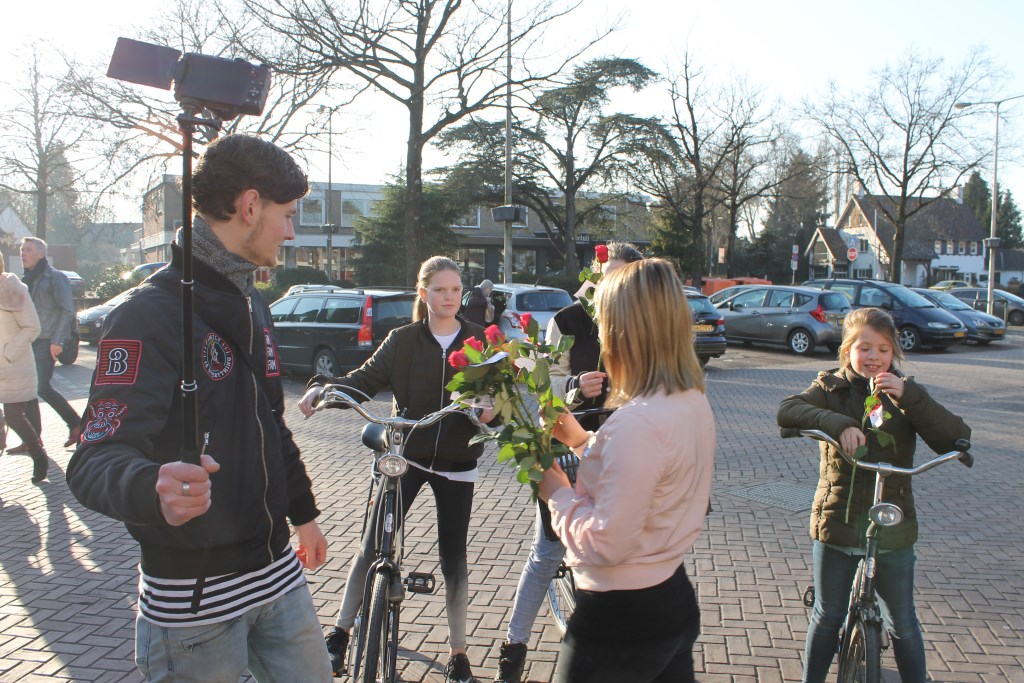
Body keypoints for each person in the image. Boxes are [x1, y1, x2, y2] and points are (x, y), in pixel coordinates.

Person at [66, 134, 331, 683]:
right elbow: (92, 459)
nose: (290, 230)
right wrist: (149, 485)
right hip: (193, 602)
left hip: (277, 574)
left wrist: (303, 515)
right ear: (250, 205)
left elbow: (270, 422)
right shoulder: (148, 315)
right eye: (287, 214)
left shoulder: (254, 300)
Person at [299, 256, 493, 683]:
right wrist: (323, 389)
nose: (448, 297)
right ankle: (341, 633)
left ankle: (459, 652)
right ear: (423, 294)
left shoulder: (479, 341)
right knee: (371, 545)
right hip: (406, 454)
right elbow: (363, 379)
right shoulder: (402, 339)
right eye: (440, 290)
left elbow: (496, 401)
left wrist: (491, 410)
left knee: (453, 557)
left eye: (455, 290)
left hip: (458, 462)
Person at [537, 259, 716, 683]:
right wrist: (582, 441)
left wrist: (557, 492)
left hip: (620, 623)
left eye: (604, 322)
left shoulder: (638, 421)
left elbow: (605, 543)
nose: (599, 334)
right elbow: (650, 474)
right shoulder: (688, 399)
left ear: (624, 331)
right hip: (669, 599)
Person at [777, 307, 970, 683]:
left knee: (903, 620)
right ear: (848, 349)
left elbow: (954, 435)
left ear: (893, 353)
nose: (874, 357)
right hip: (839, 521)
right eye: (864, 348)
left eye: (883, 349)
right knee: (828, 613)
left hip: (891, 525)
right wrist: (837, 423)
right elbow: (788, 410)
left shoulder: (905, 393)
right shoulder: (830, 388)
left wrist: (911, 397)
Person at [493, 241, 643, 683]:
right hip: (572, 448)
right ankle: (514, 646)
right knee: (547, 551)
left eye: (618, 277)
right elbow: (545, 387)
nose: (606, 286)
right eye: (602, 275)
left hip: (623, 452)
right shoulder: (567, 321)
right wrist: (576, 386)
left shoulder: (644, 328)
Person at [10, 237, 80, 452]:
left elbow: (67, 310)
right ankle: (33, 440)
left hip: (46, 340)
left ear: (41, 254)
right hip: (28, 341)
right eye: (21, 249)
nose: (23, 253)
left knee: (42, 387)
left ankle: (76, 423)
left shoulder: (55, 277)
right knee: (29, 390)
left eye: (28, 249)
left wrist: (57, 341)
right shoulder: (26, 279)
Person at [0, 252, 48, 483]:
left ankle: (39, 456)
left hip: (13, 366)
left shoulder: (11, 289)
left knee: (14, 416)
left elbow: (32, 327)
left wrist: (8, 353)